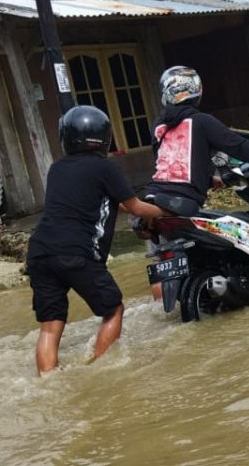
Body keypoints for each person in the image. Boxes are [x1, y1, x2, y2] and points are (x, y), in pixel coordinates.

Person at [26, 105, 164, 375]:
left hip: (40, 252)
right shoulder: (104, 168)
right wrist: (166, 211)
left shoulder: (57, 168)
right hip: (77, 253)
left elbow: (102, 203)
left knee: (50, 326)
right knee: (113, 309)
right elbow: (136, 207)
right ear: (104, 138)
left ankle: (49, 379)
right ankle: (100, 371)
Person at [145, 66, 249, 299]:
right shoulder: (202, 121)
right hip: (184, 202)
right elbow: (239, 147)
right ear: (196, 90)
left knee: (160, 263)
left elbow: (172, 164)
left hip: (153, 201)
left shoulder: (159, 127)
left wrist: (209, 180)